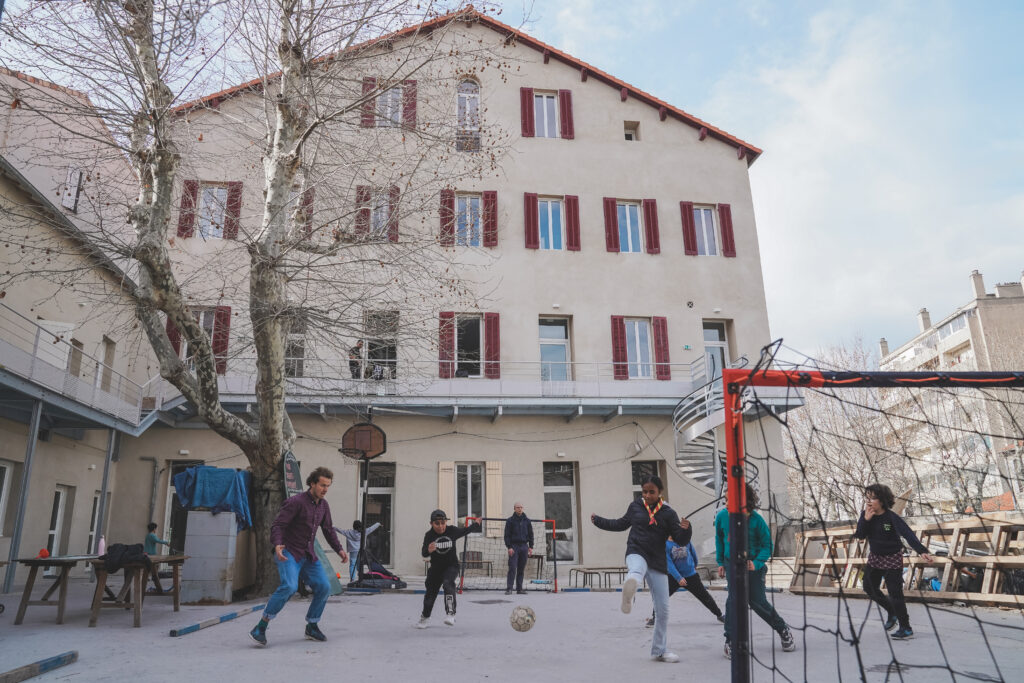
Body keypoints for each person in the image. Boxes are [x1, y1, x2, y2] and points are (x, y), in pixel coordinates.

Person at [591, 475, 692, 663]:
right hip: (636, 550)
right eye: (644, 491)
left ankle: (660, 650)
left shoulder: (668, 513)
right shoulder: (636, 506)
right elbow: (620, 524)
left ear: (660, 492)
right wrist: (599, 521)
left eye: (651, 492)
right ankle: (630, 590)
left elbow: (680, 539)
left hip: (658, 559)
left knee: (663, 610)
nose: (647, 495)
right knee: (636, 569)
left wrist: (687, 529)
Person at [249, 467, 348, 647]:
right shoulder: (295, 502)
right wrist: (277, 544)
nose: (325, 489)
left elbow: (328, 529)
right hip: (289, 552)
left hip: (308, 554)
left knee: (324, 587)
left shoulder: (324, 506)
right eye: (322, 485)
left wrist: (339, 549)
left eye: (328, 486)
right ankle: (261, 627)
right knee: (289, 586)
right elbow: (278, 525)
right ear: (312, 483)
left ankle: (312, 625)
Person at [716, 483, 796, 659]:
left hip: (752, 566)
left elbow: (767, 545)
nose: (726, 504)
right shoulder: (722, 517)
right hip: (731, 565)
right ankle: (730, 640)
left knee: (757, 602)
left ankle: (783, 629)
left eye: (730, 500)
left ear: (743, 501)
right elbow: (720, 540)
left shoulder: (756, 520)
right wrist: (721, 562)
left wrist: (757, 562)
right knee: (733, 601)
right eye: (725, 500)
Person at [854, 483, 934, 640]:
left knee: (895, 594)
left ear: (882, 500)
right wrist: (866, 520)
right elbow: (860, 535)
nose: (869, 501)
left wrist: (922, 551)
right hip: (875, 558)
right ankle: (891, 611)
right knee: (869, 587)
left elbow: (908, 534)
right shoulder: (865, 515)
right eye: (867, 498)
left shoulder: (891, 517)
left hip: (892, 559)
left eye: (873, 498)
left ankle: (906, 628)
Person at [416, 510, 481, 629]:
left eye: (443, 523)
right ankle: (425, 618)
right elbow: (424, 553)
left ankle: (451, 613)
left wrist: (476, 524)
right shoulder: (429, 535)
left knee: (448, 584)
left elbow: (465, 530)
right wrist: (429, 550)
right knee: (430, 594)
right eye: (437, 524)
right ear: (431, 523)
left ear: (446, 522)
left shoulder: (452, 530)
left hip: (451, 566)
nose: (440, 526)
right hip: (435, 569)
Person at [645, 539, 723, 628]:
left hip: (690, 576)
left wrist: (693, 567)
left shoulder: (686, 540)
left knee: (704, 596)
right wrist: (679, 578)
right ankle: (655, 619)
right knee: (661, 596)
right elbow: (668, 564)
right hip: (673, 577)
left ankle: (719, 615)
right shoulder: (665, 544)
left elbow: (694, 555)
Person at [504, 502, 534, 595]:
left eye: (521, 507)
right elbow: (507, 535)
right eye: (518, 507)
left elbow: (531, 534)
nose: (520, 509)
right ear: (514, 509)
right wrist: (509, 547)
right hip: (514, 546)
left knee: (521, 568)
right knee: (512, 567)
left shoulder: (527, 521)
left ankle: (519, 589)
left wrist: (531, 547)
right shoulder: (510, 521)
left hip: (524, 546)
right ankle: (509, 588)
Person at [144, 522, 171, 592]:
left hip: (148, 554)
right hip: (151, 554)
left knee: (152, 568)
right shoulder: (152, 535)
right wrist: (166, 543)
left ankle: (153, 579)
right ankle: (154, 580)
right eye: (156, 528)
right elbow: (158, 540)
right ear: (154, 529)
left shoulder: (148, 535)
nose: (156, 530)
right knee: (154, 569)